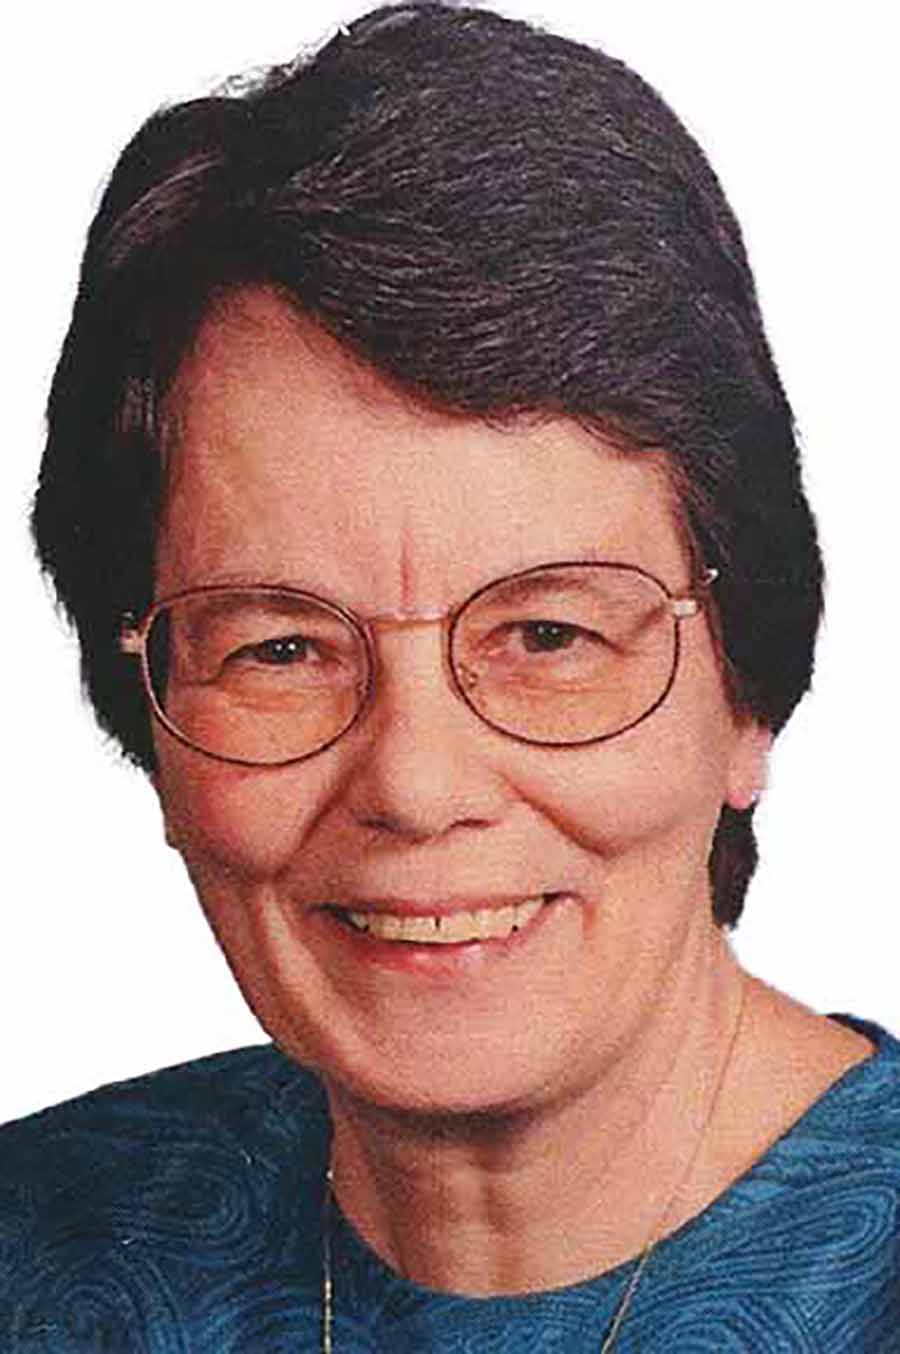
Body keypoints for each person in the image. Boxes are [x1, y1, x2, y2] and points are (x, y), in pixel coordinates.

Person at [3, 3, 898, 1349]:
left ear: (746, 695)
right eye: (283, 648)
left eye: (548, 637)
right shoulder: (34, 1245)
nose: (417, 787)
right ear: (154, 712)